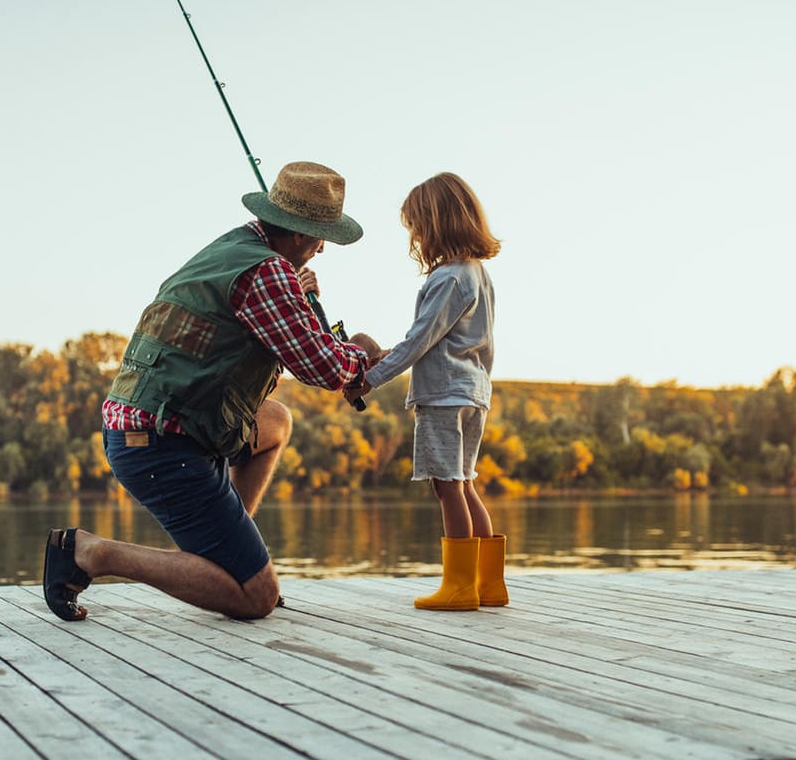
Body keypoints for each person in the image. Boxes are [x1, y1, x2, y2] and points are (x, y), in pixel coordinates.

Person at [41, 161, 371, 621]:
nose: (321, 249)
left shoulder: (235, 248)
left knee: (274, 421)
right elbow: (323, 368)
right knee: (256, 600)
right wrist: (363, 354)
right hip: (162, 445)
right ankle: (92, 554)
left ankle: (234, 556)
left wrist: (298, 298)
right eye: (322, 238)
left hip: (156, 425)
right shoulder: (268, 274)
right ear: (299, 233)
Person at [350, 172, 503, 610]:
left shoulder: (449, 278)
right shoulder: (479, 276)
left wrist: (371, 379)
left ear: (437, 223)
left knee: (447, 487)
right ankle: (489, 585)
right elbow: (443, 340)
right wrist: (385, 354)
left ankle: (459, 587)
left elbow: (420, 341)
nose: (415, 236)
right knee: (465, 483)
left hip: (443, 397)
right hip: (473, 394)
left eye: (416, 226)